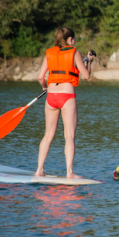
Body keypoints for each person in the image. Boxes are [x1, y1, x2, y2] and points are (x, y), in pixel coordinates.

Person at [35, 27, 92, 178]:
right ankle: (69, 172)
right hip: (67, 97)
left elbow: (41, 76)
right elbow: (86, 75)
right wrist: (89, 62)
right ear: (70, 39)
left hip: (51, 97)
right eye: (73, 39)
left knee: (48, 135)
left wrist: (45, 88)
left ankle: (39, 170)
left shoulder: (49, 53)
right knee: (69, 136)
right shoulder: (74, 52)